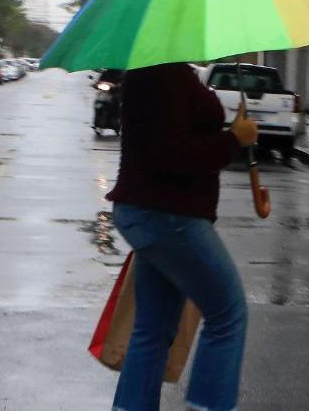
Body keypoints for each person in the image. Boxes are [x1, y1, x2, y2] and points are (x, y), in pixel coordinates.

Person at [107, 62, 259, 411]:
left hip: (153, 212)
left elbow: (172, 142)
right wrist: (233, 139)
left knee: (153, 327)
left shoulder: (163, 70)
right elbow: (173, 155)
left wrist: (231, 135)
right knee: (227, 313)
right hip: (168, 215)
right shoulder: (164, 72)